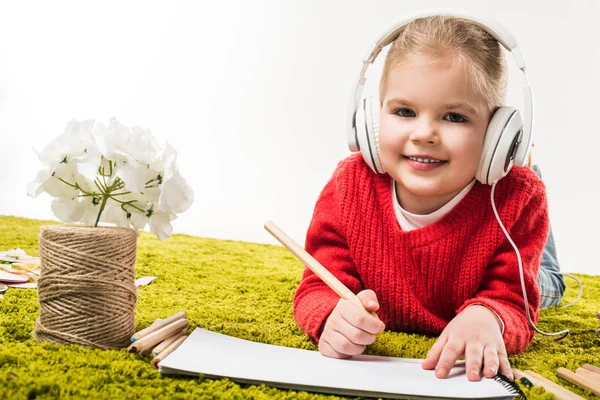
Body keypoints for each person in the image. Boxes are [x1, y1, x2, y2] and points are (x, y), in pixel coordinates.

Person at [293, 15, 554, 383]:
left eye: (453, 116)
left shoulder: (517, 198)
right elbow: (317, 285)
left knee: (549, 284)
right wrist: (330, 315)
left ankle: (531, 170)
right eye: (404, 112)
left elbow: (513, 302)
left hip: (500, 219)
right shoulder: (349, 185)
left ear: (498, 135)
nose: (424, 133)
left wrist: (488, 315)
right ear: (370, 120)